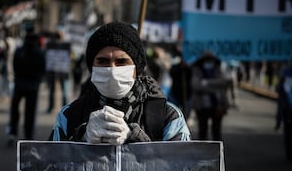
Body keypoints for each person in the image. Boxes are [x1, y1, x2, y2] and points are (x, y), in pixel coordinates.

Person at [49, 21, 190, 144]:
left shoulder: (167, 117)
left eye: (122, 62)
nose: (112, 69)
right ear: (92, 67)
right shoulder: (69, 117)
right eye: (103, 61)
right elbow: (48, 167)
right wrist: (81, 138)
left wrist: (134, 138)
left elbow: (181, 169)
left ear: (137, 69)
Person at [6, 30, 46, 146]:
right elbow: (43, 69)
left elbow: (14, 66)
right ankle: (28, 135)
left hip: (19, 84)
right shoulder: (39, 53)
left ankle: (12, 133)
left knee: (14, 110)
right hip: (33, 86)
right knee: (30, 111)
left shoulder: (19, 51)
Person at [191, 51, 230, 141]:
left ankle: (217, 151)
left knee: (216, 130)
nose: (208, 62)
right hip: (201, 106)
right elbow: (196, 85)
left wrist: (206, 83)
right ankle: (203, 151)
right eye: (206, 60)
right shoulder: (197, 70)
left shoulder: (218, 69)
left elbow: (223, 82)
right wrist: (215, 87)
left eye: (210, 60)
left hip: (217, 105)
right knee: (202, 130)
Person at [169, 48, 192, 120]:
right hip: (176, 92)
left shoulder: (190, 63)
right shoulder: (175, 61)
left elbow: (191, 75)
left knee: (186, 114)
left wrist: (187, 68)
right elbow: (172, 73)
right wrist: (180, 68)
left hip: (187, 94)